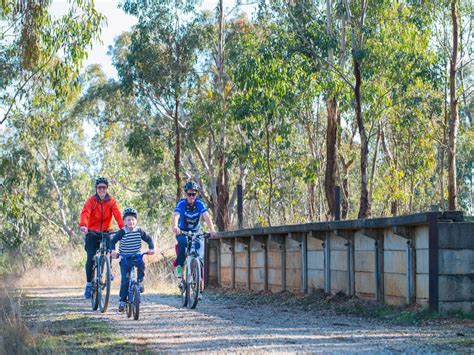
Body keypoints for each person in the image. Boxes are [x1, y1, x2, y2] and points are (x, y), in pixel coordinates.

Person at [79, 177, 124, 300]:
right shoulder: (91, 201)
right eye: (99, 188)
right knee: (91, 258)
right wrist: (83, 225)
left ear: (107, 188)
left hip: (106, 231)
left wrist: (123, 227)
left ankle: (108, 270)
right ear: (96, 189)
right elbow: (85, 213)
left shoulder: (111, 201)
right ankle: (89, 284)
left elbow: (118, 215)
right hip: (92, 232)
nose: (102, 190)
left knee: (110, 248)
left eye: (104, 187)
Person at [111, 207, 155, 313]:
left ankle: (139, 282)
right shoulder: (122, 232)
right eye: (128, 220)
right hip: (125, 257)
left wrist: (151, 248)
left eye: (133, 219)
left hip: (136, 255)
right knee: (125, 280)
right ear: (124, 222)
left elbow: (148, 239)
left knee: (141, 264)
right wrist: (113, 251)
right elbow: (113, 241)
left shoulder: (139, 231)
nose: (131, 222)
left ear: (136, 221)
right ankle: (122, 301)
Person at [172, 180, 217, 281]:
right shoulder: (181, 203)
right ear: (185, 194)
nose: (191, 196)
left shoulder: (199, 203)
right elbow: (176, 216)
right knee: (182, 245)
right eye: (189, 194)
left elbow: (206, 216)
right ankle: (179, 267)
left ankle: (198, 281)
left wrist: (212, 230)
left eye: (194, 194)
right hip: (182, 232)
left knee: (200, 254)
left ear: (196, 194)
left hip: (196, 233)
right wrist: (175, 226)